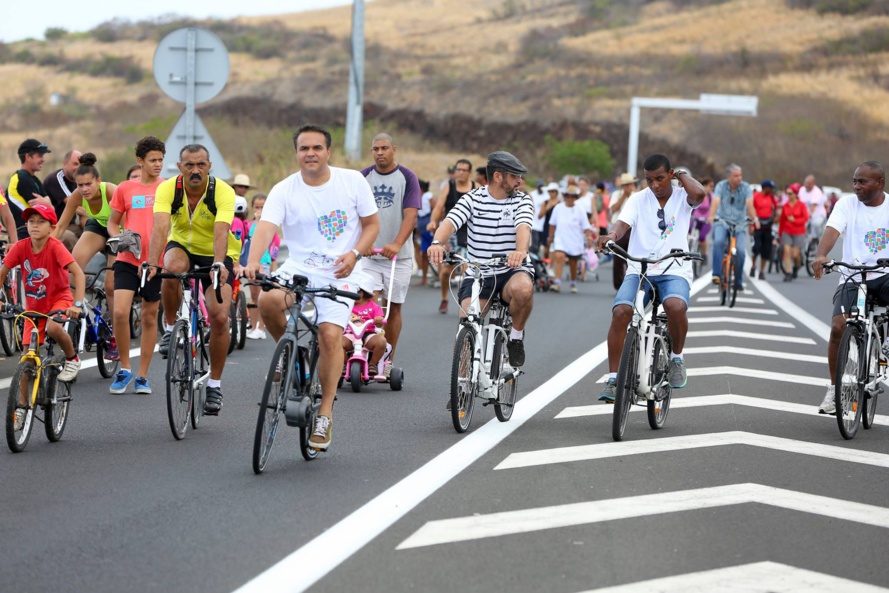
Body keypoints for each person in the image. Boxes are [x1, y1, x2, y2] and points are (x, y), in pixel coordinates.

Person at [244, 123, 380, 451]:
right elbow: (266, 227)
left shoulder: (352, 181)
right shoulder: (284, 189)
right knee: (268, 300)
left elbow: (372, 224)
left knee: (331, 337)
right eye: (304, 148)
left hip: (341, 272)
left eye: (317, 148)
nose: (311, 154)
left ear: (328, 152)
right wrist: (251, 259)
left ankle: (325, 413)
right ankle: (291, 355)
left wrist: (355, 253)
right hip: (299, 267)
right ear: (296, 153)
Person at [596, 154, 706, 402]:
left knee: (675, 306)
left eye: (659, 178)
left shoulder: (682, 197)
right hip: (640, 269)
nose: (654, 185)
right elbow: (622, 224)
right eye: (649, 180)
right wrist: (611, 234)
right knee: (621, 311)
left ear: (670, 175)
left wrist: (680, 176)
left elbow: (699, 195)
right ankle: (613, 379)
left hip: (674, 269)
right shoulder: (637, 199)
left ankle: (676, 358)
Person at [146, 143, 241, 416]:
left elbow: (222, 231)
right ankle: (170, 325)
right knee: (171, 267)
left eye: (201, 164)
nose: (196, 170)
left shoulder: (222, 191)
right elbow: (161, 227)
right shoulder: (167, 189)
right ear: (180, 168)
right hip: (182, 246)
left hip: (216, 253)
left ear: (210, 166)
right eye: (190, 165)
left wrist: (220, 264)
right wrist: (153, 262)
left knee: (220, 316)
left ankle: (214, 384)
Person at [428, 150, 534, 378]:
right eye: (515, 176)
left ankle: (516, 337)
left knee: (523, 288)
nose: (520, 181)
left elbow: (523, 226)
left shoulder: (522, 199)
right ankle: (463, 383)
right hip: (479, 273)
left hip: (510, 270)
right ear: (498, 176)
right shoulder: (472, 198)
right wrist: (437, 242)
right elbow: (450, 221)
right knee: (466, 323)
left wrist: (520, 251)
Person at [812, 161, 889, 415]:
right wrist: (821, 255)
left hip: (884, 276)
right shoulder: (846, 204)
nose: (856, 186)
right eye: (854, 181)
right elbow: (833, 230)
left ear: (879, 183)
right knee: (837, 327)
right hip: (853, 276)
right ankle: (835, 391)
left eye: (862, 182)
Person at [0, 204, 84, 394]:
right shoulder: (21, 247)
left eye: (41, 221)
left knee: (53, 328)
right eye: (31, 221)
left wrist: (77, 305)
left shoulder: (56, 247)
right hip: (34, 306)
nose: (35, 225)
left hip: (59, 300)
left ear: (52, 228)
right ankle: (21, 408)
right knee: (26, 360)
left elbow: (78, 274)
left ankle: (72, 359)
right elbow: (2, 273)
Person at [106, 136, 166, 394]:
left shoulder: (169, 187)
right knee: (120, 312)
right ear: (140, 161)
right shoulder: (125, 188)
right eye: (153, 160)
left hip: (157, 262)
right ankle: (125, 369)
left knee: (149, 317)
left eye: (161, 160)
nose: (158, 165)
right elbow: (112, 221)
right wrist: (118, 238)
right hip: (128, 260)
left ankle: (142, 375)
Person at [360, 133, 420, 366]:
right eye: (375, 149)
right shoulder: (363, 176)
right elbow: (354, 212)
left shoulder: (407, 177)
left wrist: (396, 243)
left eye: (384, 148)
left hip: (399, 256)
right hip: (369, 255)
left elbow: (411, 214)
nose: (380, 153)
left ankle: (386, 360)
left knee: (393, 308)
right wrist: (361, 243)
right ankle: (364, 354)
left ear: (394, 149)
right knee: (367, 304)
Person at [52, 153, 119, 317]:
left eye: (88, 184)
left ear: (98, 180)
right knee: (74, 261)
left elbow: (124, 224)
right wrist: (46, 246)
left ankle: (116, 323)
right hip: (98, 225)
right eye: (80, 185)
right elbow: (60, 226)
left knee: (111, 284)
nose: (84, 189)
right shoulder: (77, 195)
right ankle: (74, 311)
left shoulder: (111, 191)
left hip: (119, 230)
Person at [428, 158, 476, 314]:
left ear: (469, 173)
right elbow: (439, 206)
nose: (460, 172)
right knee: (446, 271)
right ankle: (444, 298)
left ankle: (465, 302)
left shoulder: (477, 188)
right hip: (452, 233)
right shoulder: (449, 186)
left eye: (464, 170)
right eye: (458, 169)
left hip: (470, 233)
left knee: (467, 270)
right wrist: (433, 222)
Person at [709, 164, 758, 288]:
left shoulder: (746, 187)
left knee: (741, 252)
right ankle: (716, 274)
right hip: (722, 220)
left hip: (740, 223)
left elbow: (749, 204)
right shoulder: (721, 186)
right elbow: (716, 201)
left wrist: (755, 218)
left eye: (740, 175)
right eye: (736, 176)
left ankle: (738, 281)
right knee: (719, 242)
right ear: (729, 176)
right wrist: (711, 215)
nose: (739, 178)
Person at [244, 193, 280, 340]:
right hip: (250, 263)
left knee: (262, 295)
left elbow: (275, 248)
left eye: (262, 207)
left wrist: (273, 266)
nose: (259, 210)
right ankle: (253, 326)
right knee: (253, 296)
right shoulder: (249, 225)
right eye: (256, 207)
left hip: (263, 262)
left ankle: (261, 327)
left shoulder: (269, 227)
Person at [547, 184, 595, 293]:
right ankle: (557, 282)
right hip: (560, 239)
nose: (570, 198)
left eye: (572, 196)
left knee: (573, 263)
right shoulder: (558, 208)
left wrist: (589, 240)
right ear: (565, 196)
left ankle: (573, 282)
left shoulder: (580, 209)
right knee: (559, 256)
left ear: (575, 198)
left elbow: (586, 227)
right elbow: (552, 224)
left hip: (575, 240)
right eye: (568, 196)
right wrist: (550, 237)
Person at [7, 139, 54, 240]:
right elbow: (47, 210)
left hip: (35, 231)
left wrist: (48, 204)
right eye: (40, 156)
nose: (43, 159)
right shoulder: (23, 179)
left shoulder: (33, 179)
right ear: (28, 157)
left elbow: (48, 204)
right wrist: (48, 205)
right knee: (68, 237)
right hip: (25, 234)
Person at [342, 284, 388, 380]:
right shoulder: (346, 306)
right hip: (350, 334)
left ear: (361, 293)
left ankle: (372, 364)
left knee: (381, 341)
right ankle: (345, 365)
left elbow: (380, 322)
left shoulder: (373, 307)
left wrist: (379, 320)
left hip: (368, 334)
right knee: (337, 343)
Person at [42, 149, 82, 250]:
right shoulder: (56, 179)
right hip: (54, 225)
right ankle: (77, 264)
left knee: (95, 232)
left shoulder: (80, 181)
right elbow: (73, 204)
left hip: (71, 224)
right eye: (75, 164)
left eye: (81, 165)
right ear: (65, 164)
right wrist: (93, 214)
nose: (78, 168)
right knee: (70, 238)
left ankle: (111, 263)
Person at [609, 172, 639, 290]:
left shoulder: (637, 195)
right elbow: (613, 208)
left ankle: (632, 284)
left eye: (629, 184)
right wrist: (624, 196)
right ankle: (618, 285)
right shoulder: (617, 194)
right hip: (619, 228)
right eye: (625, 185)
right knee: (618, 257)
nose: (628, 187)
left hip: (632, 229)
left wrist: (630, 195)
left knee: (632, 258)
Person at [778, 182, 809, 282]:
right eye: (787, 193)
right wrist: (780, 233)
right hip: (787, 231)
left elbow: (805, 218)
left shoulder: (801, 205)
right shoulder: (785, 205)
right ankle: (788, 272)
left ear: (795, 194)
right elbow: (782, 220)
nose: (788, 195)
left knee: (795, 255)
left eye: (790, 193)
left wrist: (794, 220)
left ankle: (796, 266)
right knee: (787, 252)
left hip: (799, 232)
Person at [749, 179, 780, 280]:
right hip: (757, 224)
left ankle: (762, 271)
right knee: (756, 247)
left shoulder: (772, 197)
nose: (772, 190)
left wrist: (776, 216)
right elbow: (750, 210)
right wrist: (751, 225)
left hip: (768, 225)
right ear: (765, 188)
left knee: (766, 249)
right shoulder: (756, 196)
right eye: (770, 188)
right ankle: (753, 265)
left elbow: (777, 208)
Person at [413, 179, 434, 286]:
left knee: (437, 253)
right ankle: (424, 278)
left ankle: (442, 276)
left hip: (431, 230)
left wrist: (435, 222)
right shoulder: (418, 199)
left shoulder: (428, 196)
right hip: (423, 231)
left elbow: (436, 208)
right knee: (424, 254)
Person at [689, 177, 713, 264]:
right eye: (710, 186)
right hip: (696, 218)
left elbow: (715, 208)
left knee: (702, 237)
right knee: (688, 230)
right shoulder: (698, 194)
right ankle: (687, 246)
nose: (711, 188)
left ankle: (705, 255)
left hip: (706, 221)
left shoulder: (712, 197)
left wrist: (712, 217)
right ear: (704, 186)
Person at [538, 182, 561, 259]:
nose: (551, 193)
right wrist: (547, 208)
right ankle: (547, 263)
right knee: (546, 249)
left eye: (553, 191)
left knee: (555, 248)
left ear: (556, 192)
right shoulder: (545, 202)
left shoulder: (560, 203)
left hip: (557, 227)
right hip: (547, 226)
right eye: (550, 191)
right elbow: (539, 216)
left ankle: (552, 265)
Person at [529, 179, 548, 255]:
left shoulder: (546, 195)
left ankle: (535, 261)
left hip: (543, 223)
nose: (540, 188)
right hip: (534, 223)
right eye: (539, 186)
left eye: (541, 186)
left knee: (539, 245)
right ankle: (533, 261)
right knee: (534, 246)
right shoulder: (532, 194)